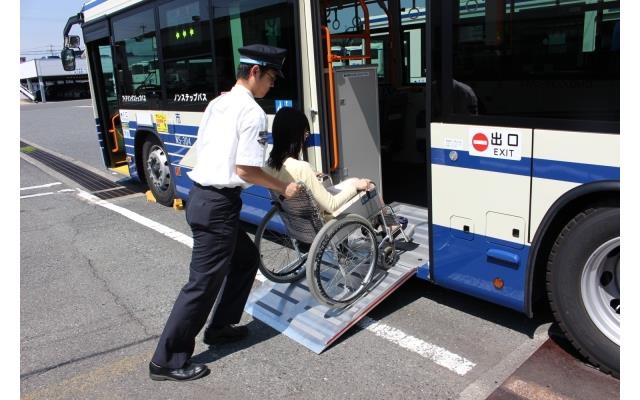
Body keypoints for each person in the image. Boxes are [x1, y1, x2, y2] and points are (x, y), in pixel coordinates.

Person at [149, 44, 300, 382]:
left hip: (205, 199)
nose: (272, 84)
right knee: (202, 285)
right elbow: (246, 169)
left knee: (245, 259)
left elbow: (220, 154)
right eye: (271, 77)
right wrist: (283, 187)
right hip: (217, 206)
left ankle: (220, 327)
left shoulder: (218, 103)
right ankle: (166, 360)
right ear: (255, 72)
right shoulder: (251, 112)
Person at [264, 107, 372, 221]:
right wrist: (355, 187)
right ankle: (385, 224)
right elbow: (331, 205)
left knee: (354, 180)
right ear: (296, 135)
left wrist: (310, 176)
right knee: (368, 185)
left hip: (299, 221)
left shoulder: (269, 165)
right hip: (325, 221)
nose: (306, 138)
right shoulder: (302, 168)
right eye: (305, 133)